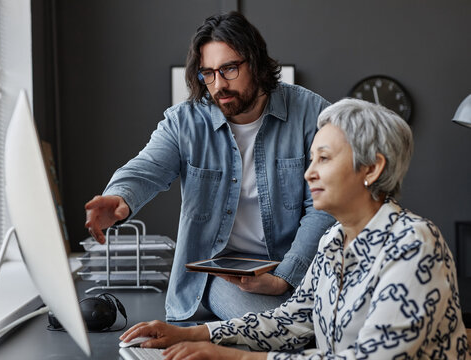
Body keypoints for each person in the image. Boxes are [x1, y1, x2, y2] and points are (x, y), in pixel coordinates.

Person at [119, 98, 470, 359]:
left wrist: (239, 358)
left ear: (372, 169)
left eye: (325, 158)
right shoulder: (334, 239)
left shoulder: (413, 243)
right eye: (311, 158)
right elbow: (292, 321)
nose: (309, 173)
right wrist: (195, 333)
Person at [85, 11, 334, 321]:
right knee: (285, 329)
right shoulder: (184, 121)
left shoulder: (312, 114)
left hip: (298, 268)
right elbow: (147, 167)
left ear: (255, 62)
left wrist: (285, 276)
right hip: (220, 274)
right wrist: (120, 196)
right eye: (208, 73)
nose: (218, 85)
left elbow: (325, 205)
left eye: (229, 69)